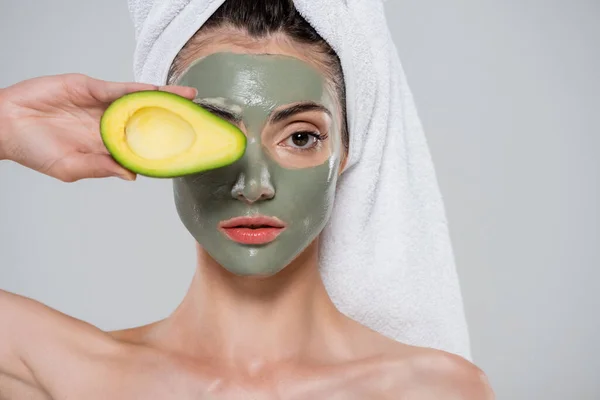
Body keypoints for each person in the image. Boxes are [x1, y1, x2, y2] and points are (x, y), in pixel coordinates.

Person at [0, 1, 494, 398]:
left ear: (345, 153)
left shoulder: (435, 390)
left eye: (300, 137)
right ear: (163, 147)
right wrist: (7, 125)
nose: (254, 184)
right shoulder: (66, 371)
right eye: (215, 130)